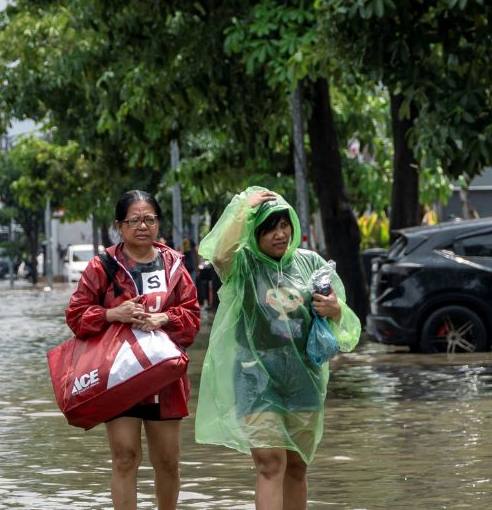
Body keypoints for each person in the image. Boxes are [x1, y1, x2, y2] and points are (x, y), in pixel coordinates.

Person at [195, 188, 359, 510]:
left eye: (284, 225)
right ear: (254, 232)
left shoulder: (311, 263)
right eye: (270, 228)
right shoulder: (243, 266)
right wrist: (243, 208)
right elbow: (219, 255)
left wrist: (335, 310)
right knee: (270, 463)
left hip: (304, 380)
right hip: (254, 379)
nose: (280, 234)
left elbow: (346, 322)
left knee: (297, 466)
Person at [65, 190, 201, 510]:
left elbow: (193, 317)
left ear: (158, 223)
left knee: (167, 461)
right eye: (134, 220)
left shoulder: (174, 265)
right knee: (125, 457)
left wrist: (165, 318)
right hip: (119, 375)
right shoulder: (102, 266)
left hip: (165, 378)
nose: (143, 226)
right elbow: (76, 316)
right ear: (119, 226)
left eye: (149, 219)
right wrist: (113, 314)